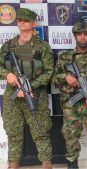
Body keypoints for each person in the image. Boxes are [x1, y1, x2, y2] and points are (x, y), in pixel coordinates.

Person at [0, 8, 53, 169]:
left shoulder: (42, 47)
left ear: (33, 23)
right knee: (13, 133)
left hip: (35, 95)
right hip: (13, 96)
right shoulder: (8, 46)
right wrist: (7, 75)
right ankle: (13, 164)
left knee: (40, 131)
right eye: (20, 20)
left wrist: (32, 86)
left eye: (26, 20)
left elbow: (49, 71)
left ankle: (46, 164)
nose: (22, 23)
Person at [52, 22, 87, 169]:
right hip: (71, 105)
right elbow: (53, 79)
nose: (83, 37)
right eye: (79, 34)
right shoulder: (65, 57)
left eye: (86, 34)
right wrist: (66, 77)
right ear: (75, 36)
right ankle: (72, 165)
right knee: (70, 138)